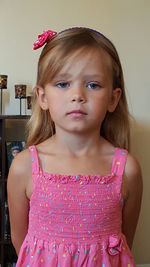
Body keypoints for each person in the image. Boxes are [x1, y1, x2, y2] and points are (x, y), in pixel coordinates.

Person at [7, 27, 143, 267]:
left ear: (113, 98)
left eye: (93, 85)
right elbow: (22, 244)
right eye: (62, 84)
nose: (77, 95)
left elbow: (124, 245)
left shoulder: (127, 169)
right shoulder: (24, 166)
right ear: (42, 97)